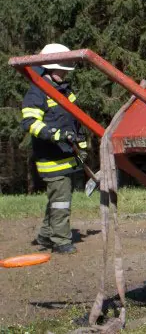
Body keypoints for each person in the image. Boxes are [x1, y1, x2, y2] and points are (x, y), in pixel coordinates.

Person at [21, 43, 87, 254]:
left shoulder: (65, 92)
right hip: (51, 159)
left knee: (58, 199)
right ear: (49, 68)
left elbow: (76, 121)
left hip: (67, 155)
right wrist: (55, 134)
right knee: (61, 202)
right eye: (62, 70)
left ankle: (45, 234)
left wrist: (81, 144)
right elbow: (30, 123)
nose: (65, 73)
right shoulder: (37, 93)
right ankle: (61, 241)